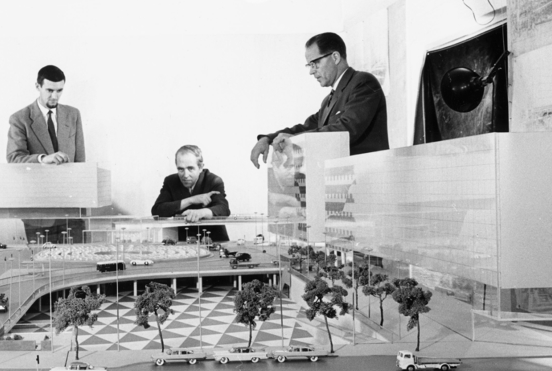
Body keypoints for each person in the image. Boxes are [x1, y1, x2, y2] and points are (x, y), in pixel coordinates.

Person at [249, 32, 388, 166]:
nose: (311, 71)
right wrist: (268, 139)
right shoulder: (328, 100)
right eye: (309, 65)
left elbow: (346, 130)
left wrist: (295, 140)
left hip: (368, 174)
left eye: (315, 63)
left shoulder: (363, 82)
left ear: (335, 57)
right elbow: (306, 127)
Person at [7, 65, 86, 243]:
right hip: (38, 210)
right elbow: (14, 158)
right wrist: (42, 159)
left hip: (70, 208)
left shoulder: (73, 114)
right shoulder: (20, 118)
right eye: (50, 90)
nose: (55, 96)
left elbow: (80, 161)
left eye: (59, 91)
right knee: (43, 259)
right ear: (38, 87)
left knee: (78, 258)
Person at [151, 145, 230, 243]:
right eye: (181, 169)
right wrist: (191, 200)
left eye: (190, 168)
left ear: (200, 167)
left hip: (213, 241)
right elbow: (157, 211)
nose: (185, 175)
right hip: (183, 242)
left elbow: (223, 209)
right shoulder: (170, 181)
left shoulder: (213, 180)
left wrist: (201, 213)